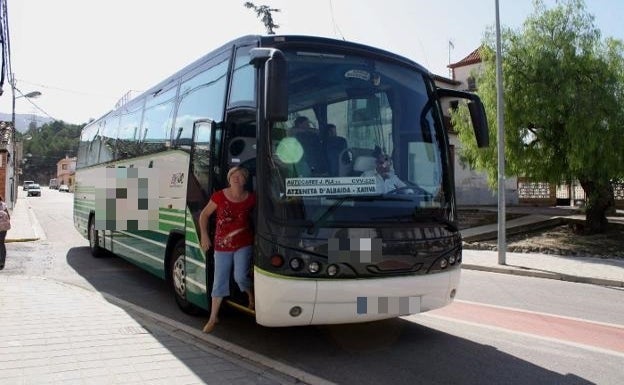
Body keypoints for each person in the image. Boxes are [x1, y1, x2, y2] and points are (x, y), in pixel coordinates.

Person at [199, 166, 256, 333]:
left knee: (240, 277)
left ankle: (250, 295)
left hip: (243, 243)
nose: (236, 178)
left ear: (245, 180)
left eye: (240, 176)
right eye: (233, 175)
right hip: (222, 246)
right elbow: (204, 215)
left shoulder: (251, 198)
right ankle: (213, 317)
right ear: (228, 178)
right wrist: (204, 235)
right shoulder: (219, 196)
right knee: (219, 281)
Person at [0, 196, 9, 270]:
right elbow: (8, 217)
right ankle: (2, 262)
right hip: (3, 229)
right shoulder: (4, 205)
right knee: (2, 243)